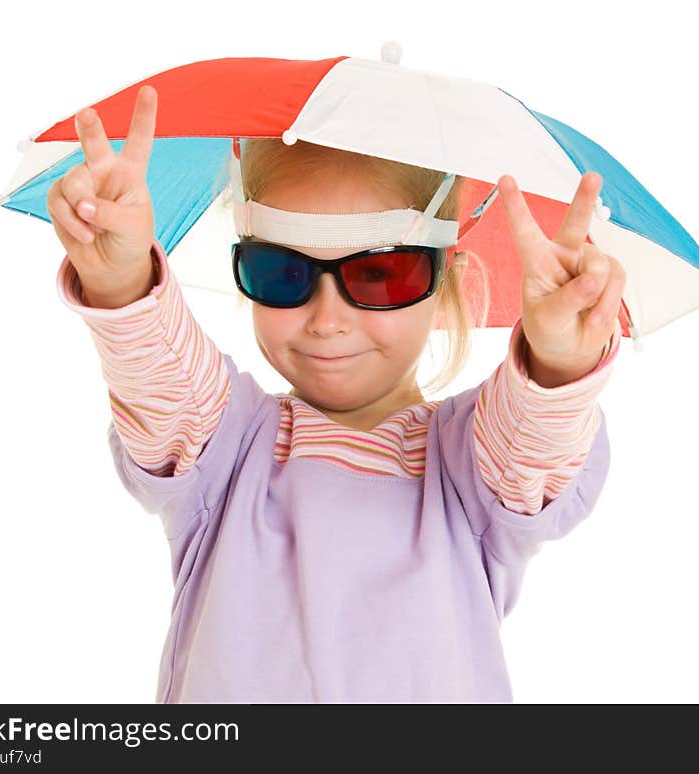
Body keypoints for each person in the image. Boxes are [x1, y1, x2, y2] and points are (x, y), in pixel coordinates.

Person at [47, 85, 625, 703]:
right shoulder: (225, 449)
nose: (327, 319)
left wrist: (560, 354)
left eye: (378, 275)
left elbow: (532, 442)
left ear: (445, 279)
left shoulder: (469, 472)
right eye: (283, 272)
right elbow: (162, 378)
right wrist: (119, 278)